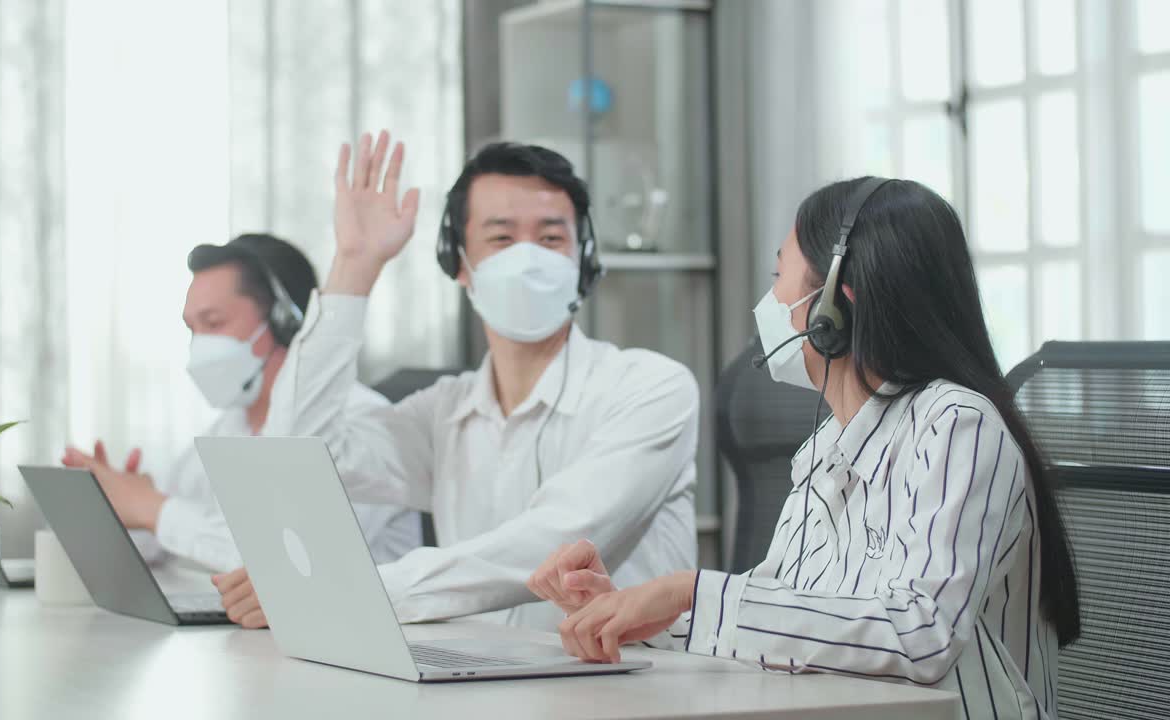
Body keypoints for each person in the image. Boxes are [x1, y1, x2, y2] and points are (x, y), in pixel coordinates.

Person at [529, 178, 1081, 719]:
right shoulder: (827, 445)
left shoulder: (957, 424)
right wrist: (628, 612)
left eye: (779, 277)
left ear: (835, 307)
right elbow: (786, 612)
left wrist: (688, 591)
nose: (768, 301)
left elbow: (921, 635)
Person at [211, 132, 700, 630]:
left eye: (552, 239)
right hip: (481, 686)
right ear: (459, 264)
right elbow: (295, 455)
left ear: (582, 260)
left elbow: (551, 545)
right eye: (502, 238)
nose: (528, 259)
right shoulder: (442, 414)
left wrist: (343, 591)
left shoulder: (651, 389)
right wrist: (354, 266)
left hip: (628, 691)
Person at [62, 233, 420, 572]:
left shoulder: (361, 425)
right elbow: (162, 541)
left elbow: (293, 565)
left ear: (284, 322)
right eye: (191, 330)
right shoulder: (231, 426)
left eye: (213, 323)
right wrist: (118, 505)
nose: (198, 346)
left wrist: (154, 509)